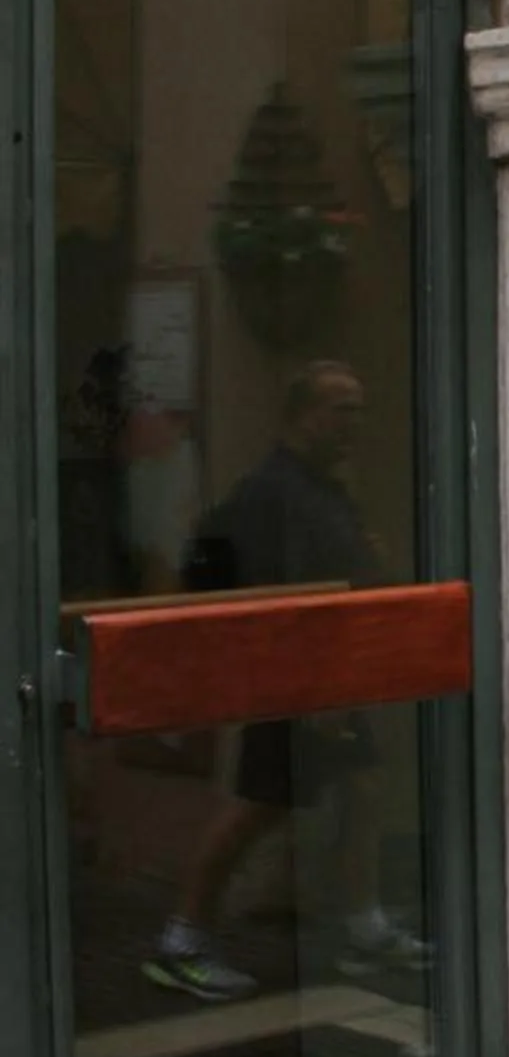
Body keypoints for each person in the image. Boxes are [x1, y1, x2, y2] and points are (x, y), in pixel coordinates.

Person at [145, 360, 416, 999]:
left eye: (359, 409)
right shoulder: (273, 492)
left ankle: (361, 922)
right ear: (301, 415)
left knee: (364, 786)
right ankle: (181, 939)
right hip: (297, 683)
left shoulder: (321, 487)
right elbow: (278, 594)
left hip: (329, 679)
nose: (354, 423)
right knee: (255, 808)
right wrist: (304, 688)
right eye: (340, 409)